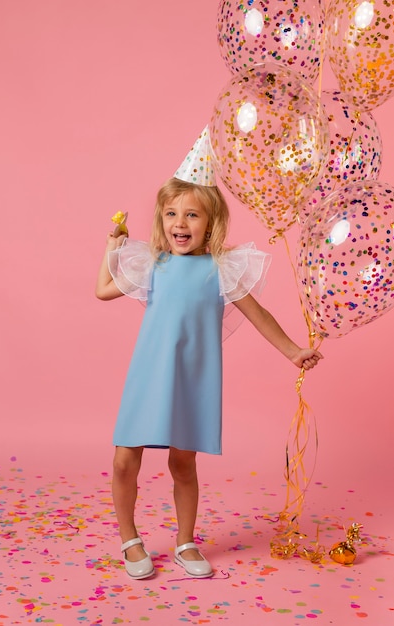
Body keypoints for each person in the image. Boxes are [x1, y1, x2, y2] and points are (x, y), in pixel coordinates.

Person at [95, 128, 323, 581]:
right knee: (125, 459)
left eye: (192, 215)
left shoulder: (222, 269)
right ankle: (129, 538)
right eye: (171, 214)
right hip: (149, 374)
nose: (180, 223)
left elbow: (259, 317)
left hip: (193, 378)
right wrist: (113, 246)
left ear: (211, 222)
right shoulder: (153, 264)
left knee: (183, 462)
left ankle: (185, 540)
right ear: (161, 219)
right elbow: (102, 290)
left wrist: (294, 351)